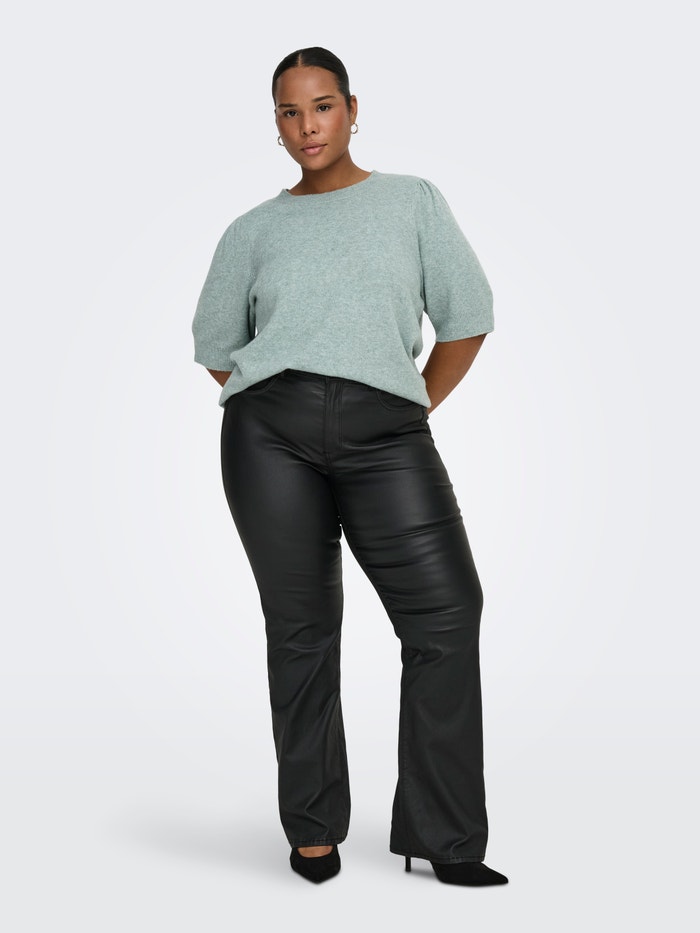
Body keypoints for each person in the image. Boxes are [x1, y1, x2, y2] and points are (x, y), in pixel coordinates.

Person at [191, 46, 509, 887]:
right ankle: (312, 828)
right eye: (290, 112)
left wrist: (410, 405)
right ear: (276, 124)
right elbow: (216, 346)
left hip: (387, 434)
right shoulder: (251, 230)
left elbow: (468, 314)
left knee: (447, 612)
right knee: (302, 628)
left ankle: (444, 837)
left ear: (353, 109)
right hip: (269, 438)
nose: (308, 126)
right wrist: (276, 401)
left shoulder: (411, 201)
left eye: (323, 106)